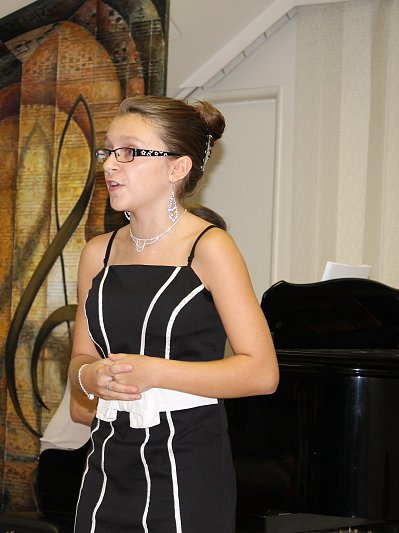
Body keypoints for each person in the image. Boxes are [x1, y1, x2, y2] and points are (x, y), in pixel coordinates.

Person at [68, 95, 279, 533]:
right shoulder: (96, 253)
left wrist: (154, 372)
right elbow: (80, 363)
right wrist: (89, 376)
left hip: (186, 465)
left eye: (130, 151)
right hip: (107, 464)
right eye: (109, 151)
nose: (110, 165)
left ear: (177, 167)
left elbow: (261, 373)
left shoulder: (211, 247)